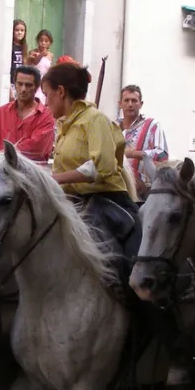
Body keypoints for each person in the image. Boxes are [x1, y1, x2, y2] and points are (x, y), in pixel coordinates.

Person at [42, 62, 141, 273]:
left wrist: (55, 179)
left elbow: (101, 167)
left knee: (119, 268)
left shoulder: (96, 120)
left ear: (60, 92)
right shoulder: (63, 125)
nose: (45, 101)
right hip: (75, 202)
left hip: (107, 202)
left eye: (47, 94)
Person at [0, 65, 55, 162]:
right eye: (19, 84)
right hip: (1, 172)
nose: (23, 89)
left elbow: (38, 148)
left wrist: (4, 153)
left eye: (28, 85)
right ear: (15, 84)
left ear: (37, 87)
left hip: (31, 174)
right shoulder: (0, 113)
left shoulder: (46, 116)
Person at [117, 84, 170, 198]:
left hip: (143, 191)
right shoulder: (112, 127)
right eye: (126, 100)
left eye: (134, 100)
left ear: (141, 104)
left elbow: (162, 155)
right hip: (117, 188)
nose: (130, 104)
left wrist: (136, 154)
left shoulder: (152, 125)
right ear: (120, 104)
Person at [27, 30, 55, 103]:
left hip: (44, 82)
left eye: (46, 41)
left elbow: (49, 68)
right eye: (41, 40)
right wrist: (41, 54)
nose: (43, 43)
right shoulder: (33, 52)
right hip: (34, 81)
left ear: (50, 43)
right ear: (38, 41)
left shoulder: (50, 55)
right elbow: (35, 62)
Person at [10, 19, 28, 101]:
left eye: (22, 30)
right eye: (17, 30)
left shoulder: (23, 46)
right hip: (11, 82)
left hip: (20, 82)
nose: (20, 32)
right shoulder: (10, 46)